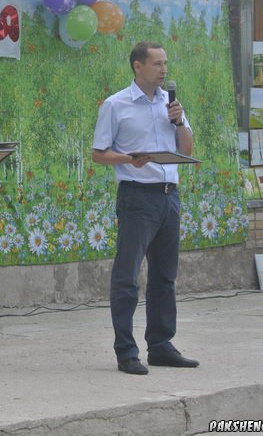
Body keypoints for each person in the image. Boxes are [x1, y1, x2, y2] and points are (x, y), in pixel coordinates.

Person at [92, 41, 199, 375]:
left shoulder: (171, 105)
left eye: (166, 63)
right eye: (157, 64)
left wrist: (180, 122)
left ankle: (161, 345)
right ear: (138, 66)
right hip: (137, 196)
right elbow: (99, 153)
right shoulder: (116, 105)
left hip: (170, 195)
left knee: (165, 277)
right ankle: (126, 351)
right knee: (127, 277)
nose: (164, 70)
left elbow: (188, 149)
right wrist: (129, 159)